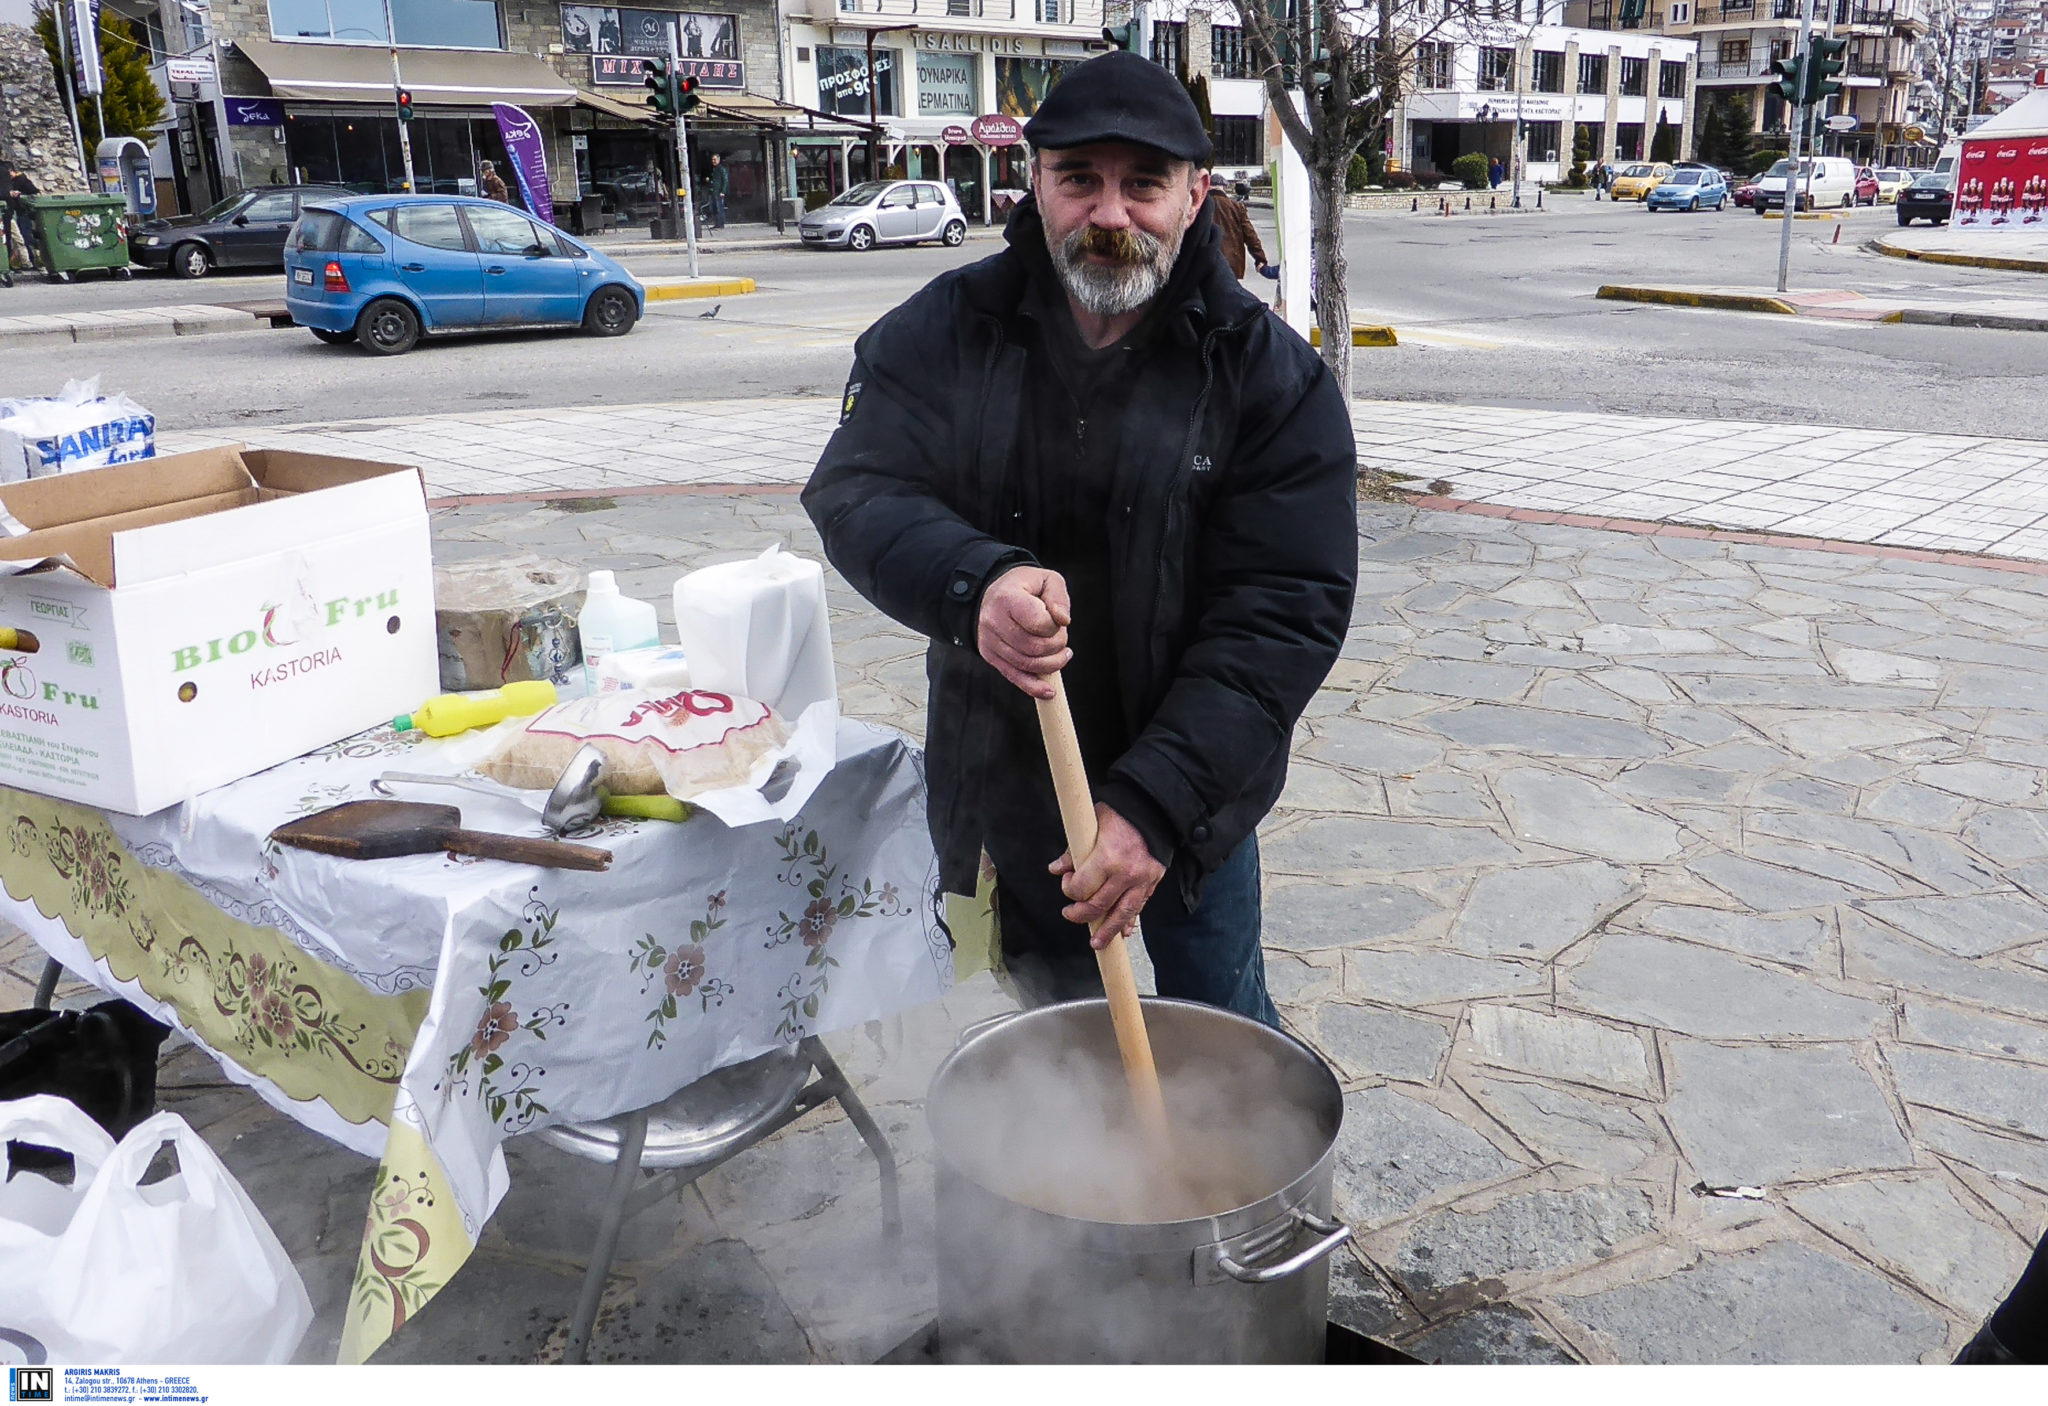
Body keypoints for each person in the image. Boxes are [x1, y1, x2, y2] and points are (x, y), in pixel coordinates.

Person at [803, 49, 1358, 1026]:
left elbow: (1280, 612)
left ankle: (1241, 1180)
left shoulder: (1269, 382)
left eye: (1141, 183)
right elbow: (856, 486)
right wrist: (973, 586)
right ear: (1037, 182)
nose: (1109, 214)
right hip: (1007, 786)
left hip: (1190, 794)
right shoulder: (948, 330)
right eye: (1079, 180)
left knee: (1220, 1028)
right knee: (1044, 1040)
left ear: (1193, 196)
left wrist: (1152, 807)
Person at [1207, 182, 1266, 281]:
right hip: (1231, 263)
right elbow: (1250, 235)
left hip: (1205, 263)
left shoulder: (1199, 206)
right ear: (1224, 187)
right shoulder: (1236, 206)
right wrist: (1260, 259)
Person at [6, 165, 39, 269]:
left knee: (25, 236)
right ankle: (25, 261)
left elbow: (34, 193)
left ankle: (33, 259)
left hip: (23, 212)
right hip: (16, 212)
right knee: (20, 238)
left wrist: (20, 195)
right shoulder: (10, 182)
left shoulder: (22, 180)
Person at [704, 153, 728, 229]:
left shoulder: (721, 169)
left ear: (718, 160)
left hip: (718, 192)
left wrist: (723, 191)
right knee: (713, 208)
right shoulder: (712, 169)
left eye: (715, 159)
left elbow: (725, 180)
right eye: (712, 159)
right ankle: (717, 224)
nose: (713, 161)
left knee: (719, 208)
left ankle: (721, 224)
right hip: (712, 192)